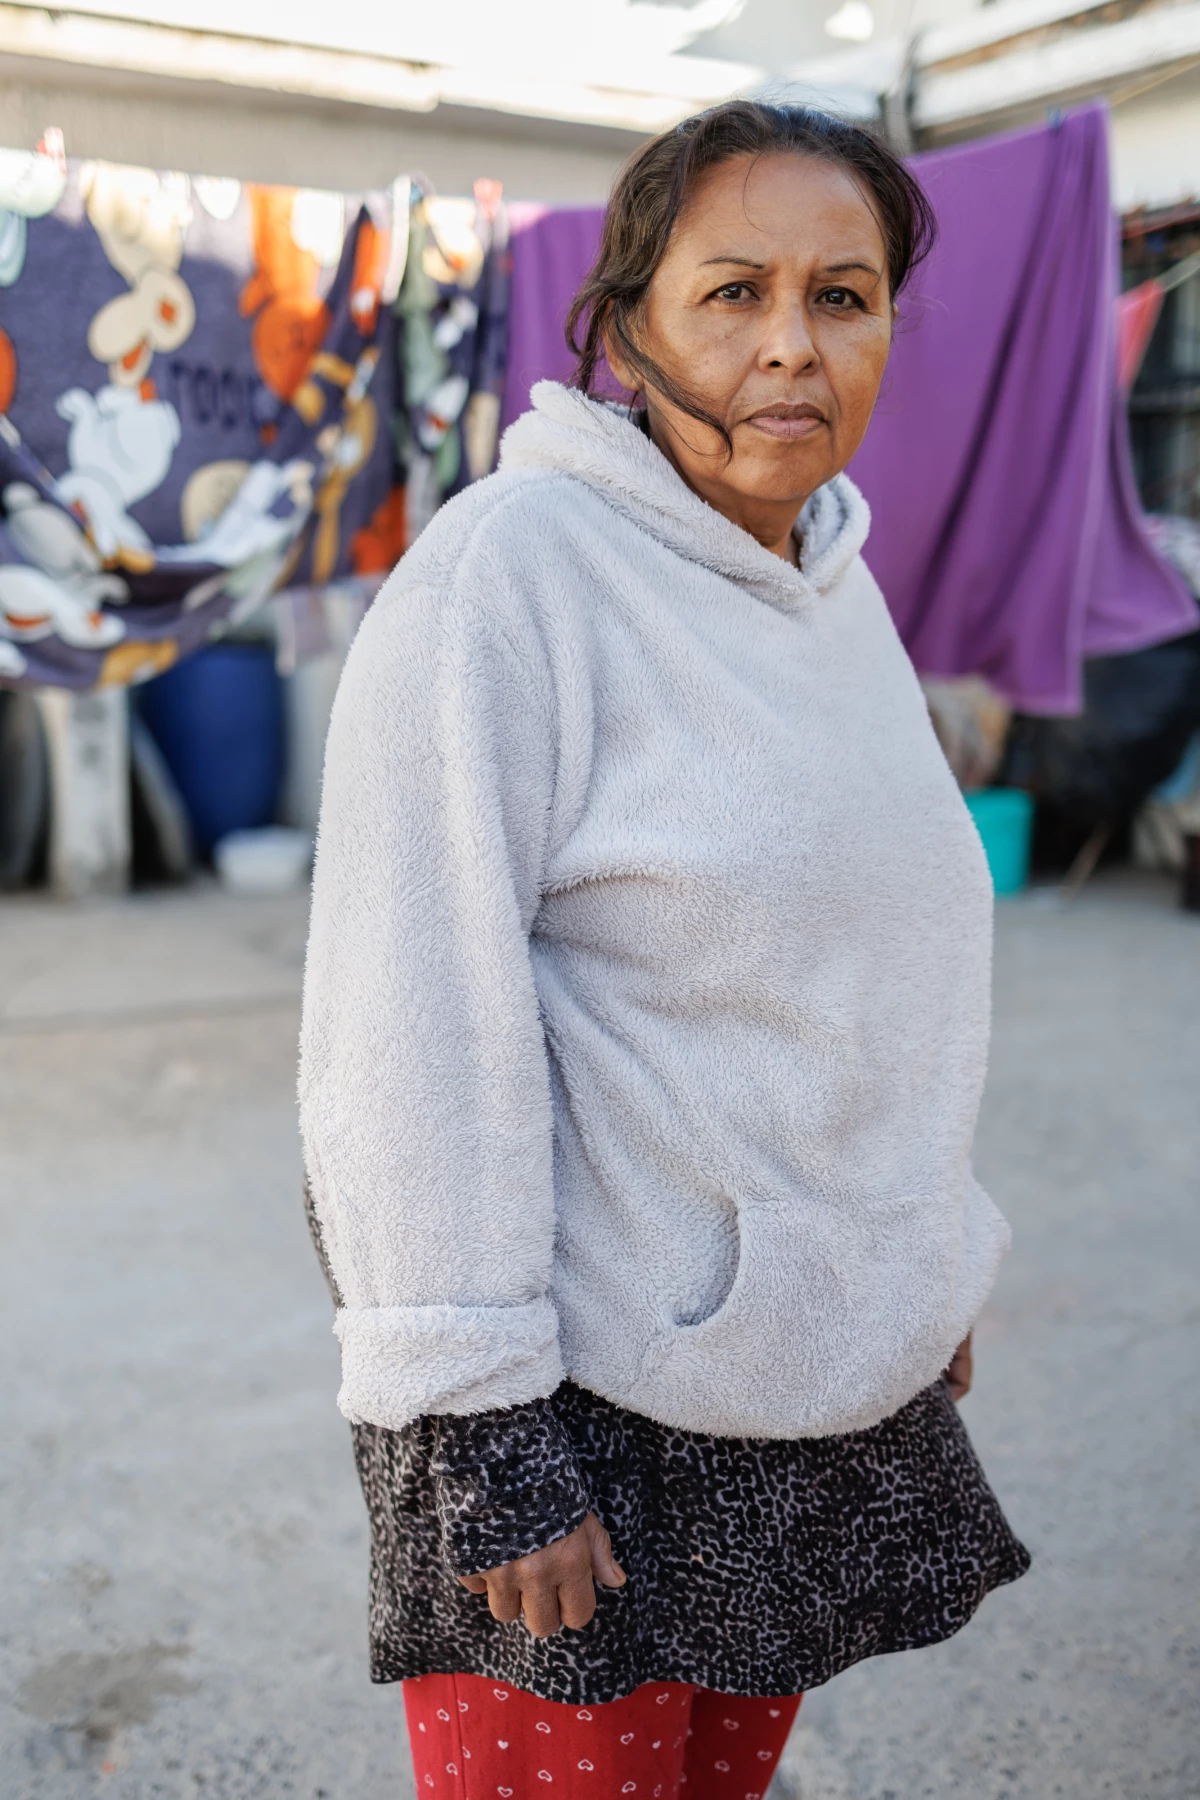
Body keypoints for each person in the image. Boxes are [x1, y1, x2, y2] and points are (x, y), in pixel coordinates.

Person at [299, 100, 1029, 1800]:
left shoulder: (826, 582)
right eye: (733, 291)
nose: (793, 347)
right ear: (625, 320)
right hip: (578, 1415)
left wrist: (916, 1250)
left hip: (790, 1370)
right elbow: (403, 1029)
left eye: (844, 298)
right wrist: (482, 1433)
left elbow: (870, 960)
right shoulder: (509, 580)